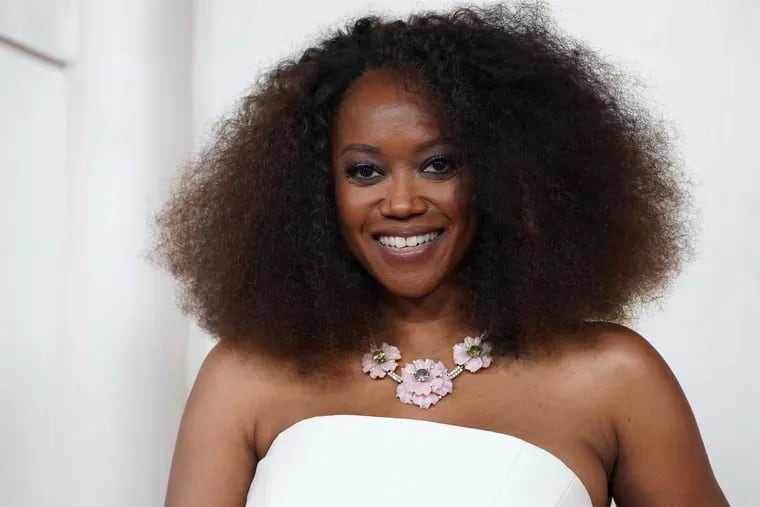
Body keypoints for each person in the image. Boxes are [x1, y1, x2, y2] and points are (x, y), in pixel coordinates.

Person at [155, 4, 728, 506]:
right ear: (314, 190)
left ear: (507, 174)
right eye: (365, 171)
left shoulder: (614, 379)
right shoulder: (246, 377)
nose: (401, 202)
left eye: (438, 164)